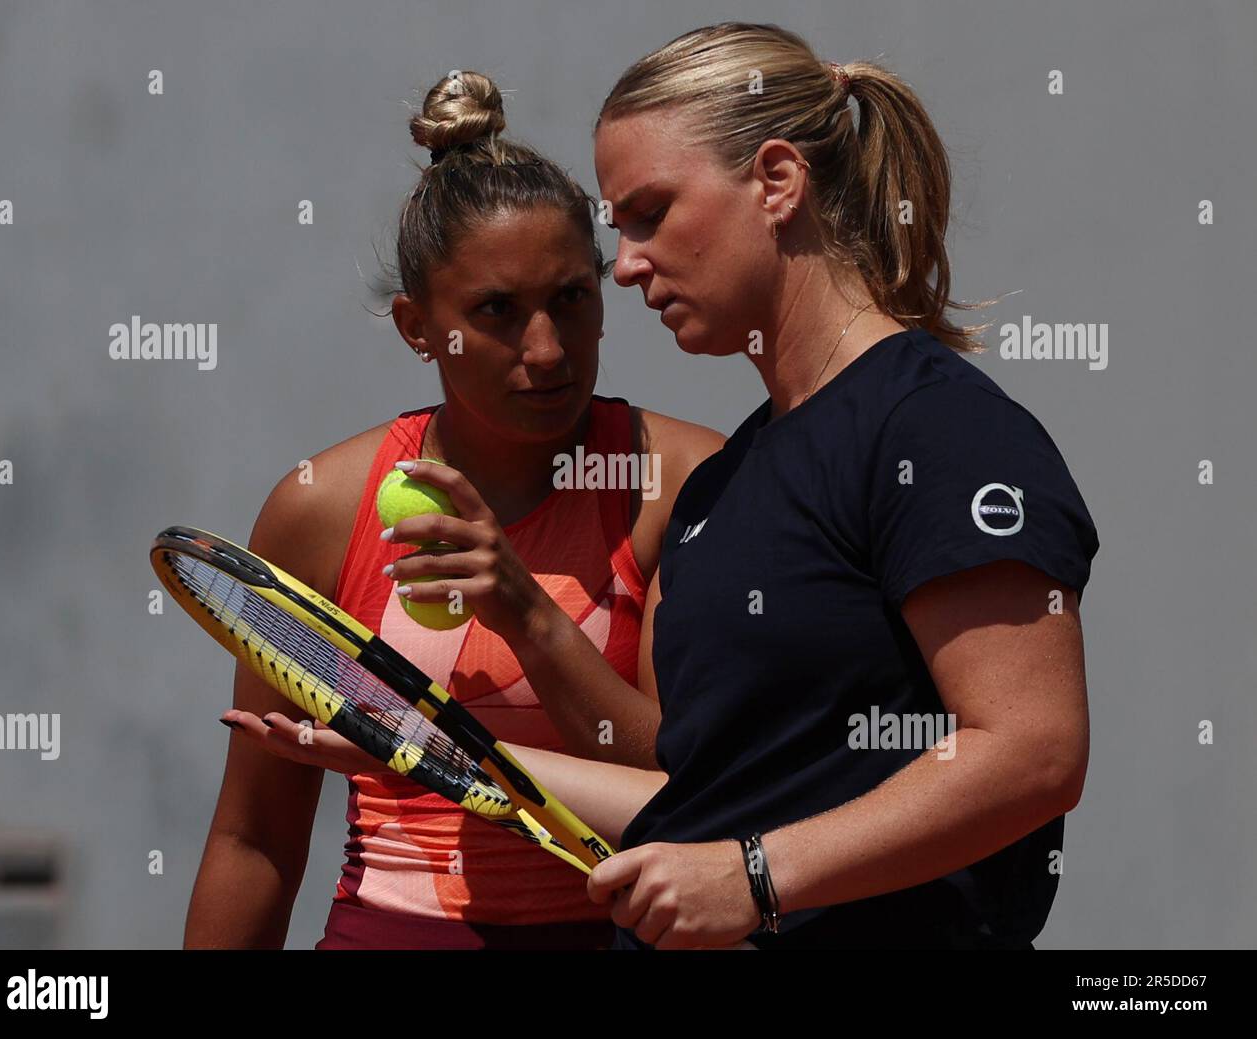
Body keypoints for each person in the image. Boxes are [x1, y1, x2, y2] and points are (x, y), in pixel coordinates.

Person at [241, 21, 1100, 951]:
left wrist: (758, 877)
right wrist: (431, 751)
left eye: (651, 212)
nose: (628, 261)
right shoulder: (728, 483)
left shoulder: (937, 429)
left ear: (777, 182)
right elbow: (695, 795)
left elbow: (1032, 751)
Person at [182, 69, 723, 950]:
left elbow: (692, 790)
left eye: (571, 300)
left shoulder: (685, 480)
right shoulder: (322, 508)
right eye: (497, 312)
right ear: (416, 326)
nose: (545, 350)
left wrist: (525, 612)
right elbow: (255, 838)